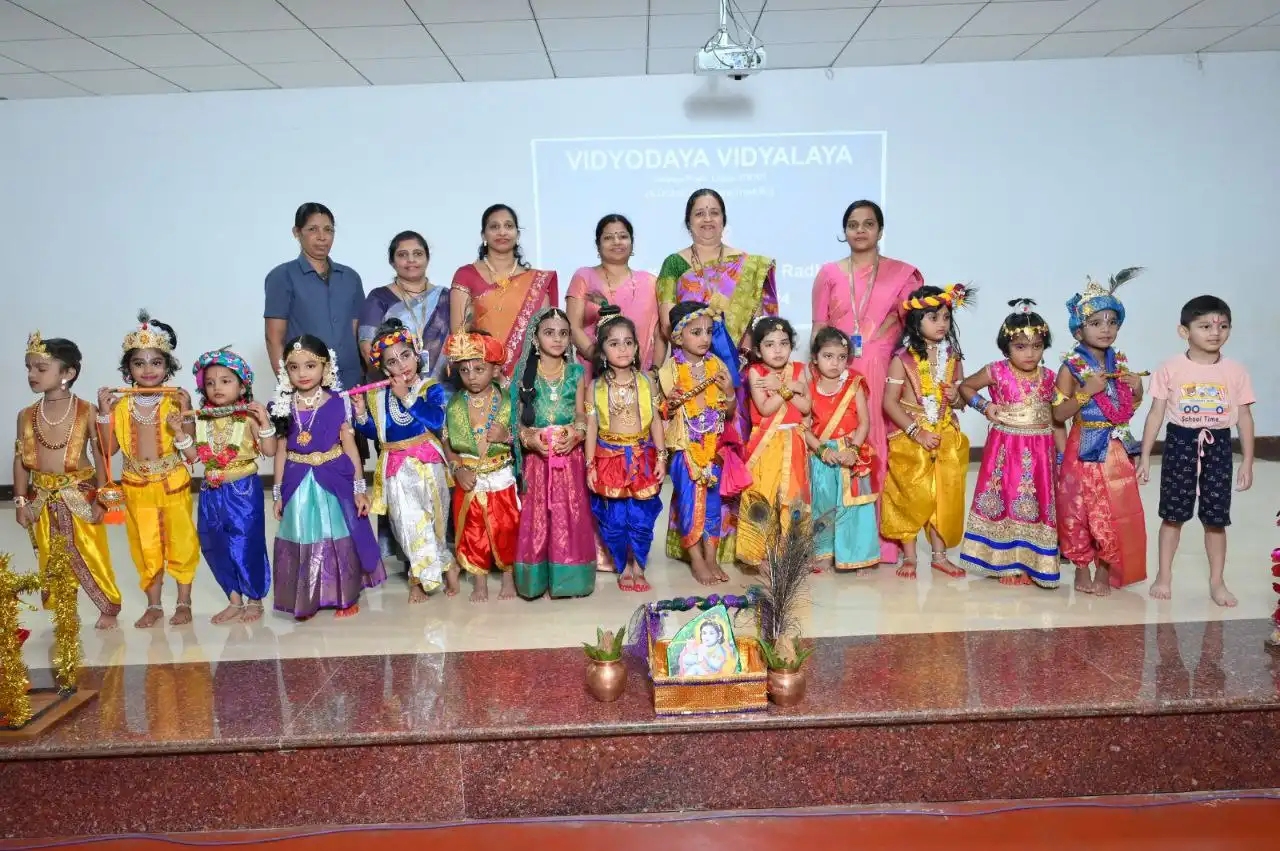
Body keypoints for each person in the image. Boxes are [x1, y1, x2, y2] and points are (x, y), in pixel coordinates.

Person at [657, 188, 777, 561]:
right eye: (699, 213)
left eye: (714, 213)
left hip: (734, 378)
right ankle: (693, 542)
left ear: (724, 219)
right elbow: (666, 323)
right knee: (693, 459)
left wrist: (739, 355)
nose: (707, 220)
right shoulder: (674, 264)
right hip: (691, 377)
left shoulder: (749, 264)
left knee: (732, 456)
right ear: (688, 221)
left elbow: (762, 323)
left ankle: (737, 542)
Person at [811, 201, 925, 567]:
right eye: (853, 224)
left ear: (880, 229)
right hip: (837, 372)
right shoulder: (829, 273)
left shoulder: (903, 274)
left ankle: (883, 540)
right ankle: (840, 542)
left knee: (881, 449)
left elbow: (915, 330)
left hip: (883, 371)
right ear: (844, 231)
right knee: (838, 452)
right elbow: (818, 329)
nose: (860, 230)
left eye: (868, 224)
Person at [1139, 296, 1255, 607]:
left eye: (1223, 326)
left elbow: (1244, 417)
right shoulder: (1170, 368)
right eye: (1204, 326)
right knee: (1173, 515)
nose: (1215, 333)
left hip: (1218, 445)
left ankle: (1217, 582)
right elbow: (1155, 414)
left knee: (1216, 519)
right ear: (1184, 331)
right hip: (1180, 443)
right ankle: (1164, 575)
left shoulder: (1235, 371)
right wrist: (1145, 457)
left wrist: (1247, 461)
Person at [97, 311, 200, 629]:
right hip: (136, 486)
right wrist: (103, 414)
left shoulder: (176, 401)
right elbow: (107, 449)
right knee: (145, 545)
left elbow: (192, 450)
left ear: (168, 366)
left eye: (156, 362)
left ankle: (184, 602)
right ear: (128, 369)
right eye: (139, 363)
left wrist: (185, 415)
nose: (148, 369)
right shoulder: (121, 406)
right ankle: (153, 605)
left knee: (181, 542)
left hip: (173, 482)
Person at [270, 336, 385, 619]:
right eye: (294, 367)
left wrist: (360, 489)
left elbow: (350, 448)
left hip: (334, 478)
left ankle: (345, 596)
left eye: (310, 365)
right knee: (302, 536)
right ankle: (307, 598)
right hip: (298, 482)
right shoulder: (283, 406)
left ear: (326, 367)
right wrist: (277, 493)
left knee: (338, 536)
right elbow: (281, 452)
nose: (302, 373)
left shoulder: (338, 402)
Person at [15, 332, 122, 630]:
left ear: (68, 373)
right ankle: (65, 608)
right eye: (29, 367)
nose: (32, 374)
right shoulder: (26, 415)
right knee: (50, 554)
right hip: (42, 497)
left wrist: (103, 497)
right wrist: (21, 501)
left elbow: (102, 454)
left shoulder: (86, 410)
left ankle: (108, 607)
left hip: (80, 494)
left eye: (41, 368)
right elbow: (20, 460)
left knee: (91, 552)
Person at [1053, 269, 1148, 596]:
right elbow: (1056, 413)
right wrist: (1085, 393)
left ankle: (1105, 570)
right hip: (1083, 444)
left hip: (1115, 448)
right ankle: (1081, 567)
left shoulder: (1120, 364)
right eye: (1096, 323)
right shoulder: (1070, 367)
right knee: (1077, 509)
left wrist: (1138, 391)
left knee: (1113, 509)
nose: (1106, 329)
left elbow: (1124, 412)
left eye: (1112, 322)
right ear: (1079, 331)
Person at [958, 300, 1064, 589]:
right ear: (1006, 347)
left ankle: (1035, 563)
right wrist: (984, 406)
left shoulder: (1051, 378)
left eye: (1037, 346)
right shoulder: (996, 371)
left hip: (1041, 452)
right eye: (1020, 346)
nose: (1030, 353)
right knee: (1007, 499)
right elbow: (965, 387)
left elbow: (1057, 419)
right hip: (1005, 451)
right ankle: (1005, 562)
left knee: (1037, 503)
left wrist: (1063, 454)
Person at [351, 320, 453, 603]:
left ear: (416, 353)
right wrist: (361, 415)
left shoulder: (429, 387)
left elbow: (436, 419)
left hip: (428, 463)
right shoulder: (377, 394)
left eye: (405, 355)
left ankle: (445, 564)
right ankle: (419, 580)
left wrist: (407, 397)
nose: (401, 366)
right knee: (406, 524)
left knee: (435, 522)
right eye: (392, 362)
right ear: (384, 369)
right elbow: (379, 433)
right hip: (396, 467)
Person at [173, 348, 277, 624]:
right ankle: (234, 600)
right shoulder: (202, 418)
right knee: (213, 543)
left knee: (246, 543)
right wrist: (181, 433)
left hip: (242, 489)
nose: (216, 387)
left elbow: (270, 449)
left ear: (242, 385)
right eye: (210, 382)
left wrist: (265, 421)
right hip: (210, 491)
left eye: (225, 380)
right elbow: (194, 457)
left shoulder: (249, 417)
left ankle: (255, 599)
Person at [881, 285, 974, 579]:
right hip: (911, 436)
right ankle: (909, 557)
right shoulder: (902, 358)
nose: (942, 324)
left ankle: (939, 556)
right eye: (933, 318)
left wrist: (956, 395)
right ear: (916, 321)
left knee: (944, 497)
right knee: (909, 494)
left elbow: (961, 400)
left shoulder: (953, 356)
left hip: (946, 433)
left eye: (946, 317)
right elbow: (889, 403)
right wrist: (916, 432)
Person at [511, 308, 596, 599]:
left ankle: (569, 581)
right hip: (537, 460)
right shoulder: (524, 376)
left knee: (568, 517)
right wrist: (529, 439)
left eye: (563, 333)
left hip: (567, 459)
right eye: (549, 333)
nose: (557, 339)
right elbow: (516, 421)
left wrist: (576, 434)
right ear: (535, 338)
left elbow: (582, 415)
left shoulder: (575, 373)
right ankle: (534, 581)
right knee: (537, 519)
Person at [586, 307, 666, 593]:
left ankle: (639, 566)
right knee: (614, 520)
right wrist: (590, 465)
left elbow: (656, 421)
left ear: (636, 347)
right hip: (608, 458)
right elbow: (592, 427)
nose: (622, 348)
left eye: (628, 342)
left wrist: (662, 456)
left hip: (643, 457)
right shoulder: (594, 387)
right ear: (602, 350)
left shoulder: (647, 382)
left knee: (641, 518)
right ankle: (623, 566)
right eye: (614, 343)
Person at [658, 302, 736, 586]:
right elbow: (664, 409)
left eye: (708, 331)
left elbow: (728, 411)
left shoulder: (717, 365)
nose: (704, 338)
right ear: (678, 336)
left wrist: (728, 391)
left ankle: (712, 557)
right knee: (690, 504)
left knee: (714, 505)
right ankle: (697, 561)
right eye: (696, 332)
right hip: (685, 448)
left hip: (713, 446)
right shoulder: (671, 370)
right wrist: (671, 400)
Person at [441, 332, 519, 602]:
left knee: (506, 528)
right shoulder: (454, 405)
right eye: (464, 370)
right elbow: (447, 441)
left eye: (479, 368)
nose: (471, 375)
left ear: (496, 369)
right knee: (473, 531)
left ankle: (508, 578)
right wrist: (456, 468)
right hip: (469, 476)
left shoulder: (508, 400)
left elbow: (522, 436)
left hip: (500, 475)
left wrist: (506, 437)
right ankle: (480, 582)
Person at [264, 202, 366, 392]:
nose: (322, 237)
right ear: (297, 232)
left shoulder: (350, 277)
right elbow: (274, 338)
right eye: (313, 229)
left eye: (328, 230)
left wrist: (363, 375)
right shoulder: (282, 276)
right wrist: (287, 385)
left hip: (351, 382)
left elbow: (356, 332)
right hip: (307, 384)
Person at [450, 204, 558, 379]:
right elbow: (458, 335)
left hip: (527, 378)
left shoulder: (536, 282)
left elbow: (544, 334)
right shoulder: (466, 275)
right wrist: (490, 372)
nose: (502, 232)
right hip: (479, 378)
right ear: (483, 235)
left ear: (517, 234)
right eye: (494, 227)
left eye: (508, 226)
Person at [803, 328, 879, 573]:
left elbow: (864, 423)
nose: (835, 363)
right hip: (822, 454)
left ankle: (860, 556)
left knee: (855, 505)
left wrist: (854, 450)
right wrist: (822, 450)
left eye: (841, 357)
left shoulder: (854, 382)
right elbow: (803, 427)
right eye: (828, 356)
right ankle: (824, 553)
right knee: (823, 504)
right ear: (815, 357)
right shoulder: (809, 385)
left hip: (850, 453)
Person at [737, 317, 811, 569]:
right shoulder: (756, 372)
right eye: (770, 345)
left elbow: (806, 407)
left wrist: (782, 385)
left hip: (794, 441)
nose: (778, 350)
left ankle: (789, 554)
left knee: (793, 496)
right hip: (767, 443)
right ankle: (759, 555)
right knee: (763, 494)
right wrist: (788, 389)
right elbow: (766, 408)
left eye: (784, 343)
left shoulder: (800, 370)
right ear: (758, 350)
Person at [566, 214, 662, 376]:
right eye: (609, 238)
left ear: (632, 243)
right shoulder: (584, 277)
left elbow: (659, 333)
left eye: (623, 236)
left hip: (640, 378)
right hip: (595, 375)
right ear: (598, 245)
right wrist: (601, 358)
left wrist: (655, 372)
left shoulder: (651, 282)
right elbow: (572, 327)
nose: (617, 242)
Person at [358, 231, 451, 386]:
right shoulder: (379, 298)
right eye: (402, 255)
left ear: (427, 258)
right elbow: (368, 352)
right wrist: (402, 382)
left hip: (442, 391)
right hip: (394, 390)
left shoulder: (446, 297)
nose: (411, 260)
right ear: (392, 262)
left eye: (418, 253)